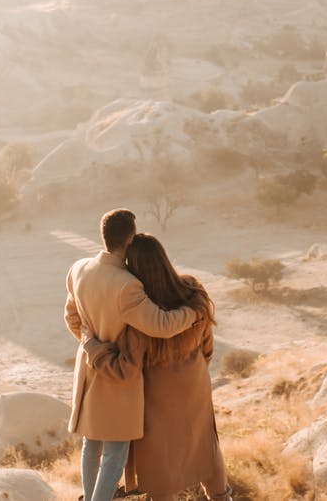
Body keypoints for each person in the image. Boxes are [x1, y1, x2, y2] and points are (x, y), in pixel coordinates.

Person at [82, 233, 232, 501]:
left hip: (156, 405)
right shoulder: (193, 291)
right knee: (205, 451)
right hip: (195, 390)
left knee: (161, 473)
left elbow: (124, 370)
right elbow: (207, 347)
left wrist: (90, 346)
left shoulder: (141, 318)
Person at [65, 210, 199, 501]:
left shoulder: (78, 269)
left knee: (91, 446)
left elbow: (72, 318)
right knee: (114, 454)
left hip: (88, 371)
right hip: (116, 377)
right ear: (129, 239)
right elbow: (161, 325)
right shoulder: (126, 285)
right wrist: (192, 312)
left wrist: (92, 346)